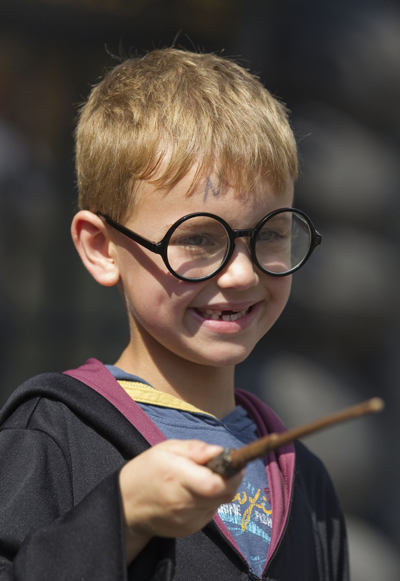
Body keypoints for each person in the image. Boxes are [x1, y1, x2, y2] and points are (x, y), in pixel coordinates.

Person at [0, 48, 348, 581]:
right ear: (100, 248)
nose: (240, 275)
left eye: (271, 234)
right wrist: (122, 518)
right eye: (199, 239)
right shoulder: (50, 436)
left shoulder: (306, 483)